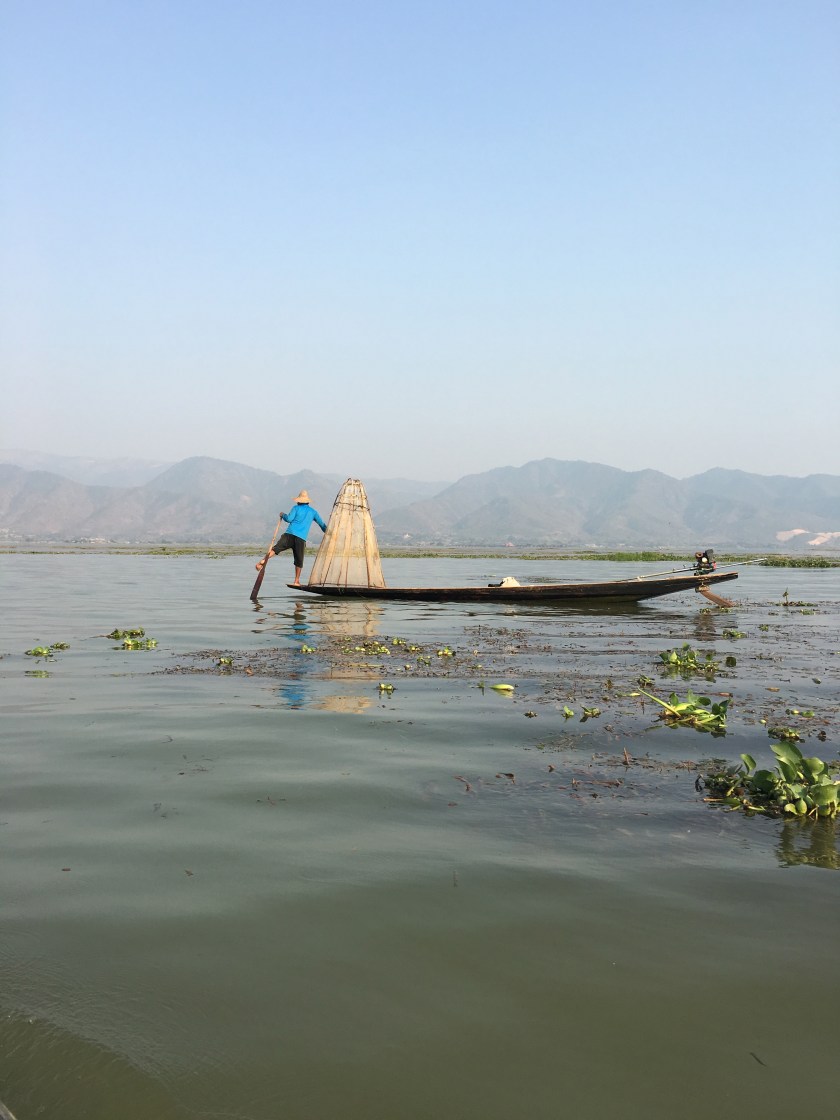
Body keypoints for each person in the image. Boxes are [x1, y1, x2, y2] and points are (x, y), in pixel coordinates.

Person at [254, 490, 327, 586]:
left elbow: (288, 519)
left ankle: (262, 562)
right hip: (301, 538)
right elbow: (322, 524)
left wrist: (282, 515)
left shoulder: (296, 508)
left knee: (276, 549)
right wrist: (328, 532)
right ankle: (296, 581)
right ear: (308, 502)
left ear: (298, 501)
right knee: (299, 560)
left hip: (289, 534)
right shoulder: (313, 512)